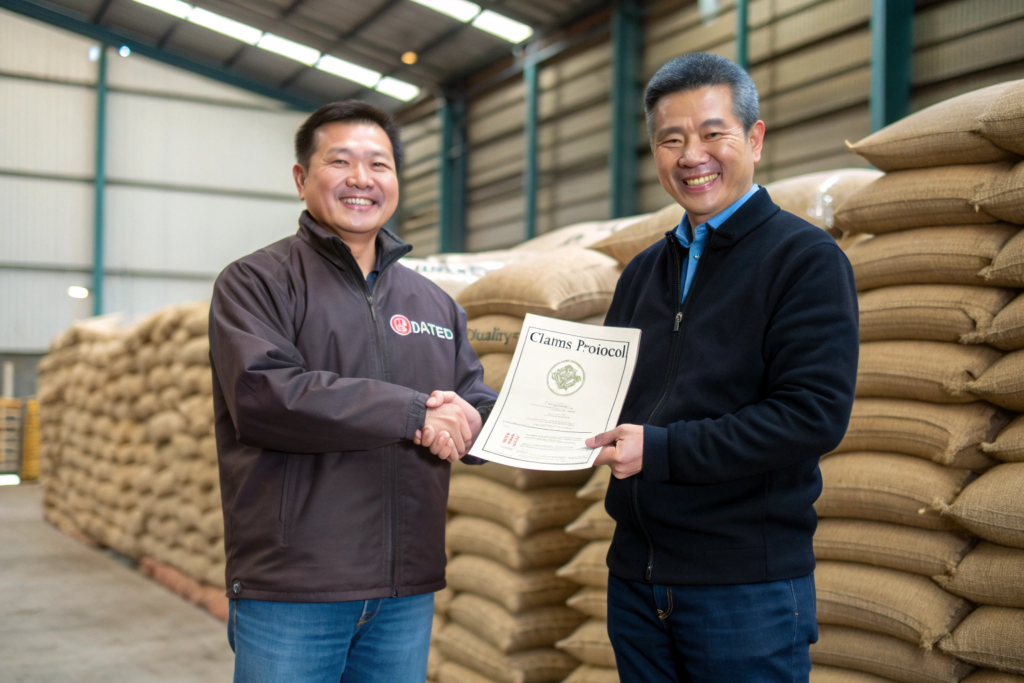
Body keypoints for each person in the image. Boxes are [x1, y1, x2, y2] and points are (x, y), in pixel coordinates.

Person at [586, 53, 859, 682]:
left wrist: (662, 450)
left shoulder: (804, 259)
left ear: (754, 139)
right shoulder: (642, 273)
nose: (692, 156)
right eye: (671, 140)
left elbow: (812, 415)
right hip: (636, 581)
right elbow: (602, 395)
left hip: (743, 589)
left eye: (713, 134)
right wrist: (500, 418)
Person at [208, 100, 496, 683]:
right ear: (301, 178)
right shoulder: (256, 282)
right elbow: (265, 396)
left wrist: (543, 429)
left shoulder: (434, 303)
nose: (362, 179)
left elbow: (472, 402)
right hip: (296, 587)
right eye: (340, 162)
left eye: (379, 164)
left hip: (404, 589)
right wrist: (414, 412)